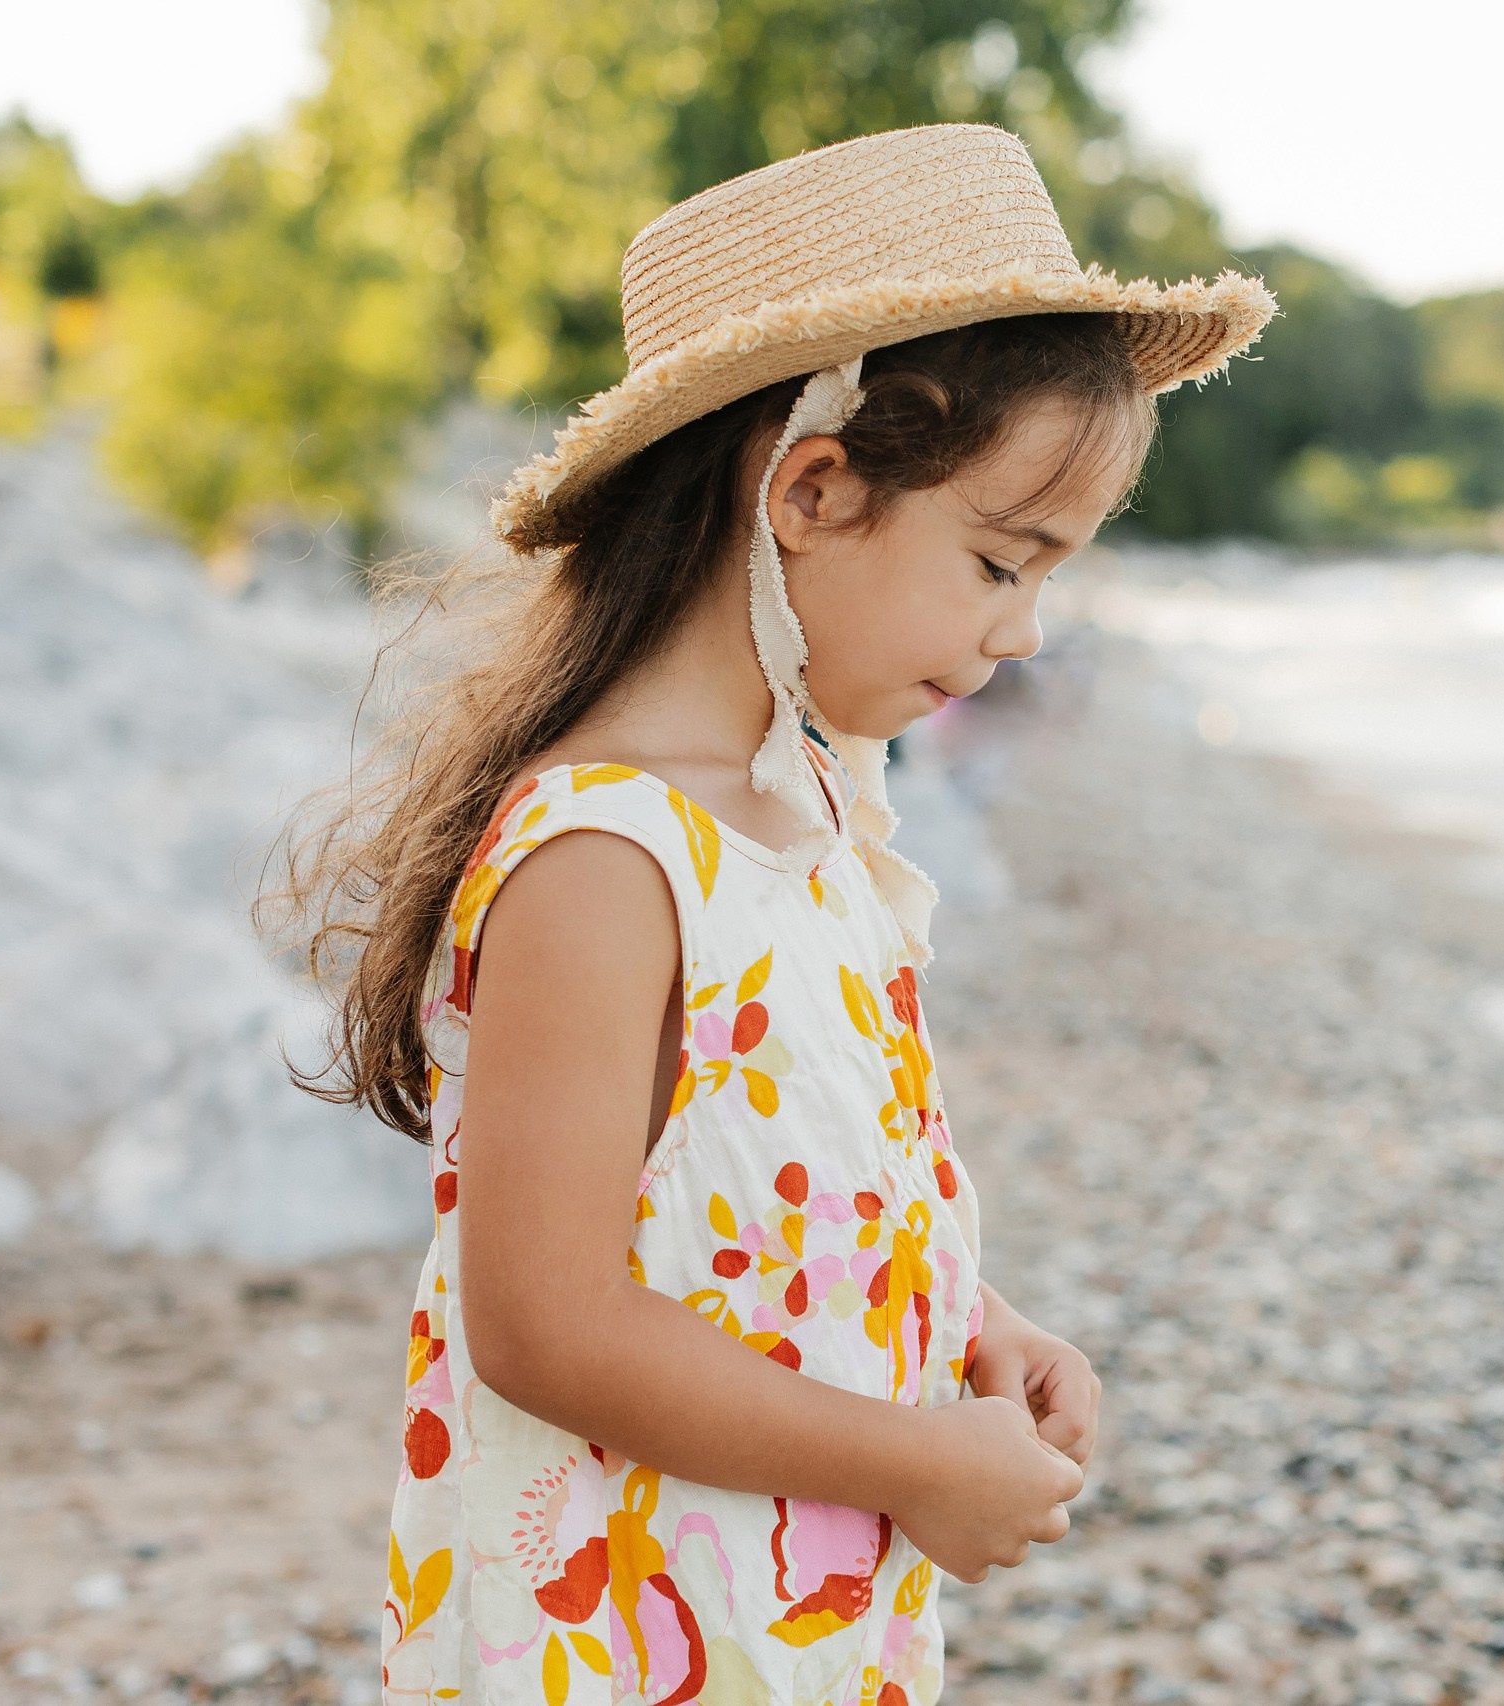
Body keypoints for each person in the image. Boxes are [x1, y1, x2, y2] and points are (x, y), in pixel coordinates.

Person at [265, 125, 1273, 1705]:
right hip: (608, 1637)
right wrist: (912, 1464)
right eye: (1004, 561)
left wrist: (971, 1324)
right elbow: (542, 1318)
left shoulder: (810, 817)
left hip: (778, 1614)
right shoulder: (606, 856)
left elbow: (777, 1187)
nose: (1023, 632)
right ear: (812, 487)